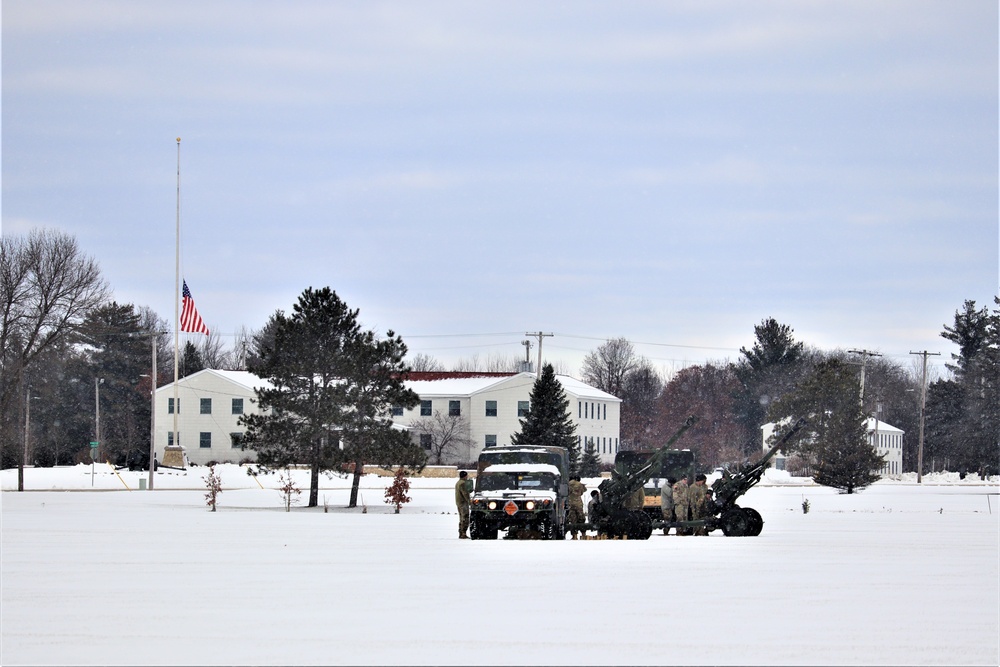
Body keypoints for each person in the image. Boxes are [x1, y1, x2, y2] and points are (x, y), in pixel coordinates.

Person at [455, 470, 472, 539]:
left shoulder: (458, 482)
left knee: (461, 518)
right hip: (463, 502)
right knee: (465, 518)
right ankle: (463, 533)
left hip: (459, 502)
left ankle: (461, 533)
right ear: (465, 476)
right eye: (466, 475)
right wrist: (469, 501)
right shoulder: (462, 483)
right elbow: (465, 493)